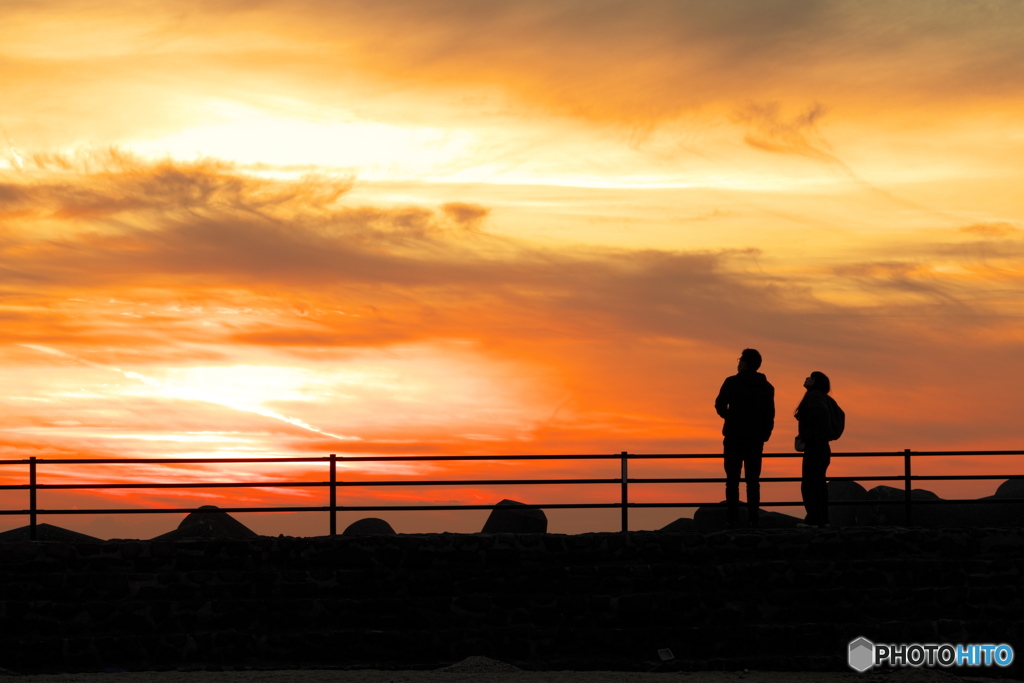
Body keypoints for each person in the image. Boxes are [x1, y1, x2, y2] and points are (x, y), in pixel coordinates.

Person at [714, 348, 775, 528]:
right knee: (753, 481)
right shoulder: (767, 387)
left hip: (734, 436)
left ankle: (732, 519)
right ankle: (753, 518)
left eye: (740, 359)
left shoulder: (732, 382)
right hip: (755, 439)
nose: (738, 362)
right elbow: (770, 414)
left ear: (745, 363)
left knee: (732, 481)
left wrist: (730, 417)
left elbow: (719, 405)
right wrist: (765, 435)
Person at [795, 371, 835, 527]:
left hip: (815, 447)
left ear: (815, 381)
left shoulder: (814, 396)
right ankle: (822, 520)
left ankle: (813, 519)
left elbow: (822, 418)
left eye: (810, 377)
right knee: (818, 483)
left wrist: (809, 437)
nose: (806, 378)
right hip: (822, 447)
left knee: (810, 484)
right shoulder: (824, 398)